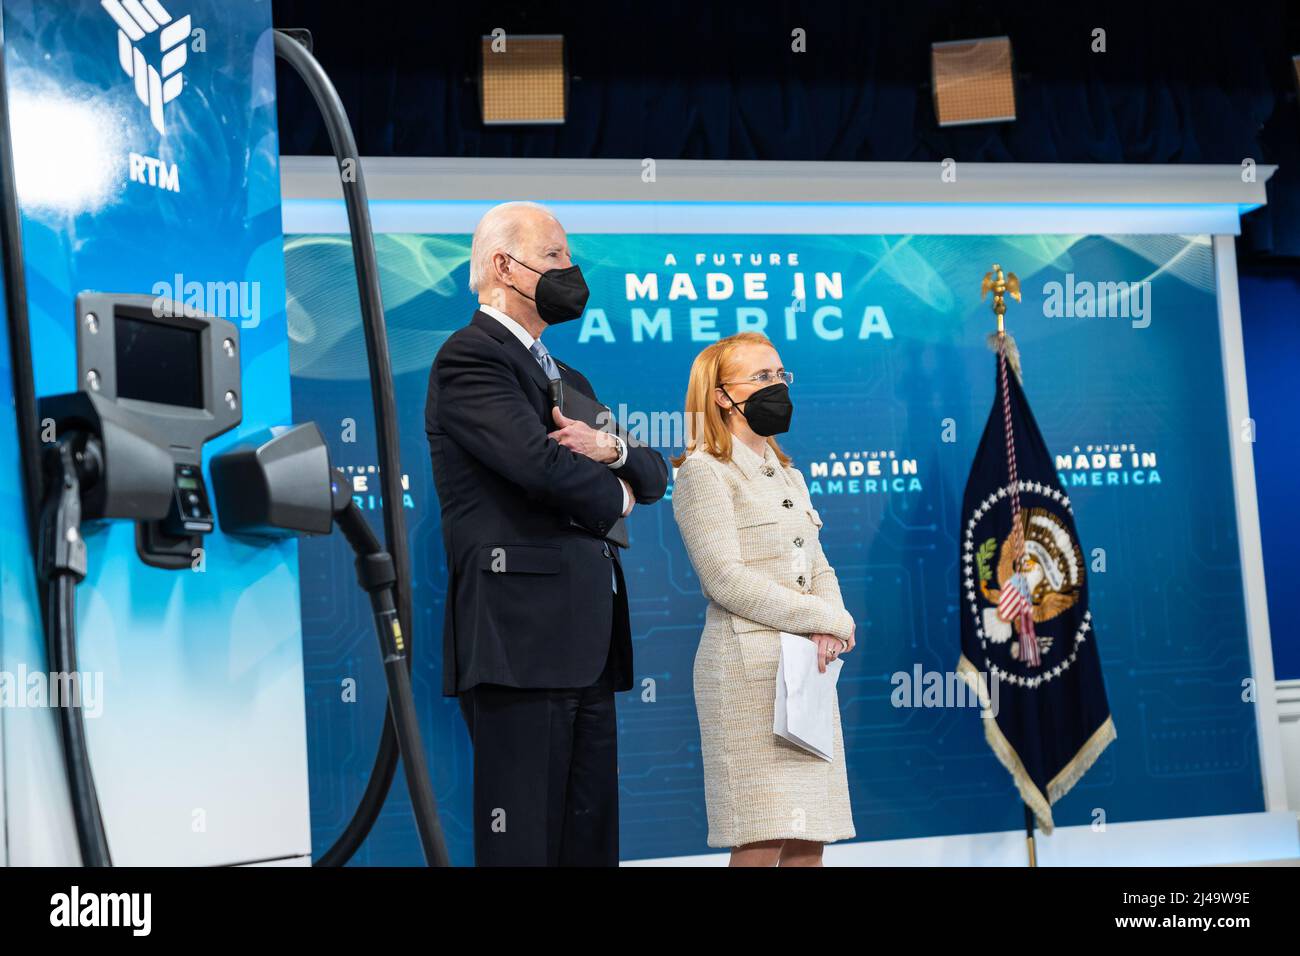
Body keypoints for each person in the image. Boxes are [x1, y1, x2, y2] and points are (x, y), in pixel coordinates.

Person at [425, 201, 668, 866]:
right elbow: (540, 465)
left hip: (586, 642)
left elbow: (653, 470)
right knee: (524, 845)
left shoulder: (573, 381)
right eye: (556, 256)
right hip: (519, 643)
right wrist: (616, 490)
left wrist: (614, 456)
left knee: (588, 844)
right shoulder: (470, 358)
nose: (571, 270)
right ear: (504, 266)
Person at [671, 331, 857, 867]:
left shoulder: (790, 475)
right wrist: (826, 618)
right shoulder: (703, 472)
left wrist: (829, 623)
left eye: (780, 376)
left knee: (809, 836)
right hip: (747, 674)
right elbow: (724, 578)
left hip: (807, 668)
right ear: (722, 396)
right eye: (761, 378)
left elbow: (817, 564)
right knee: (761, 833)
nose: (777, 387)